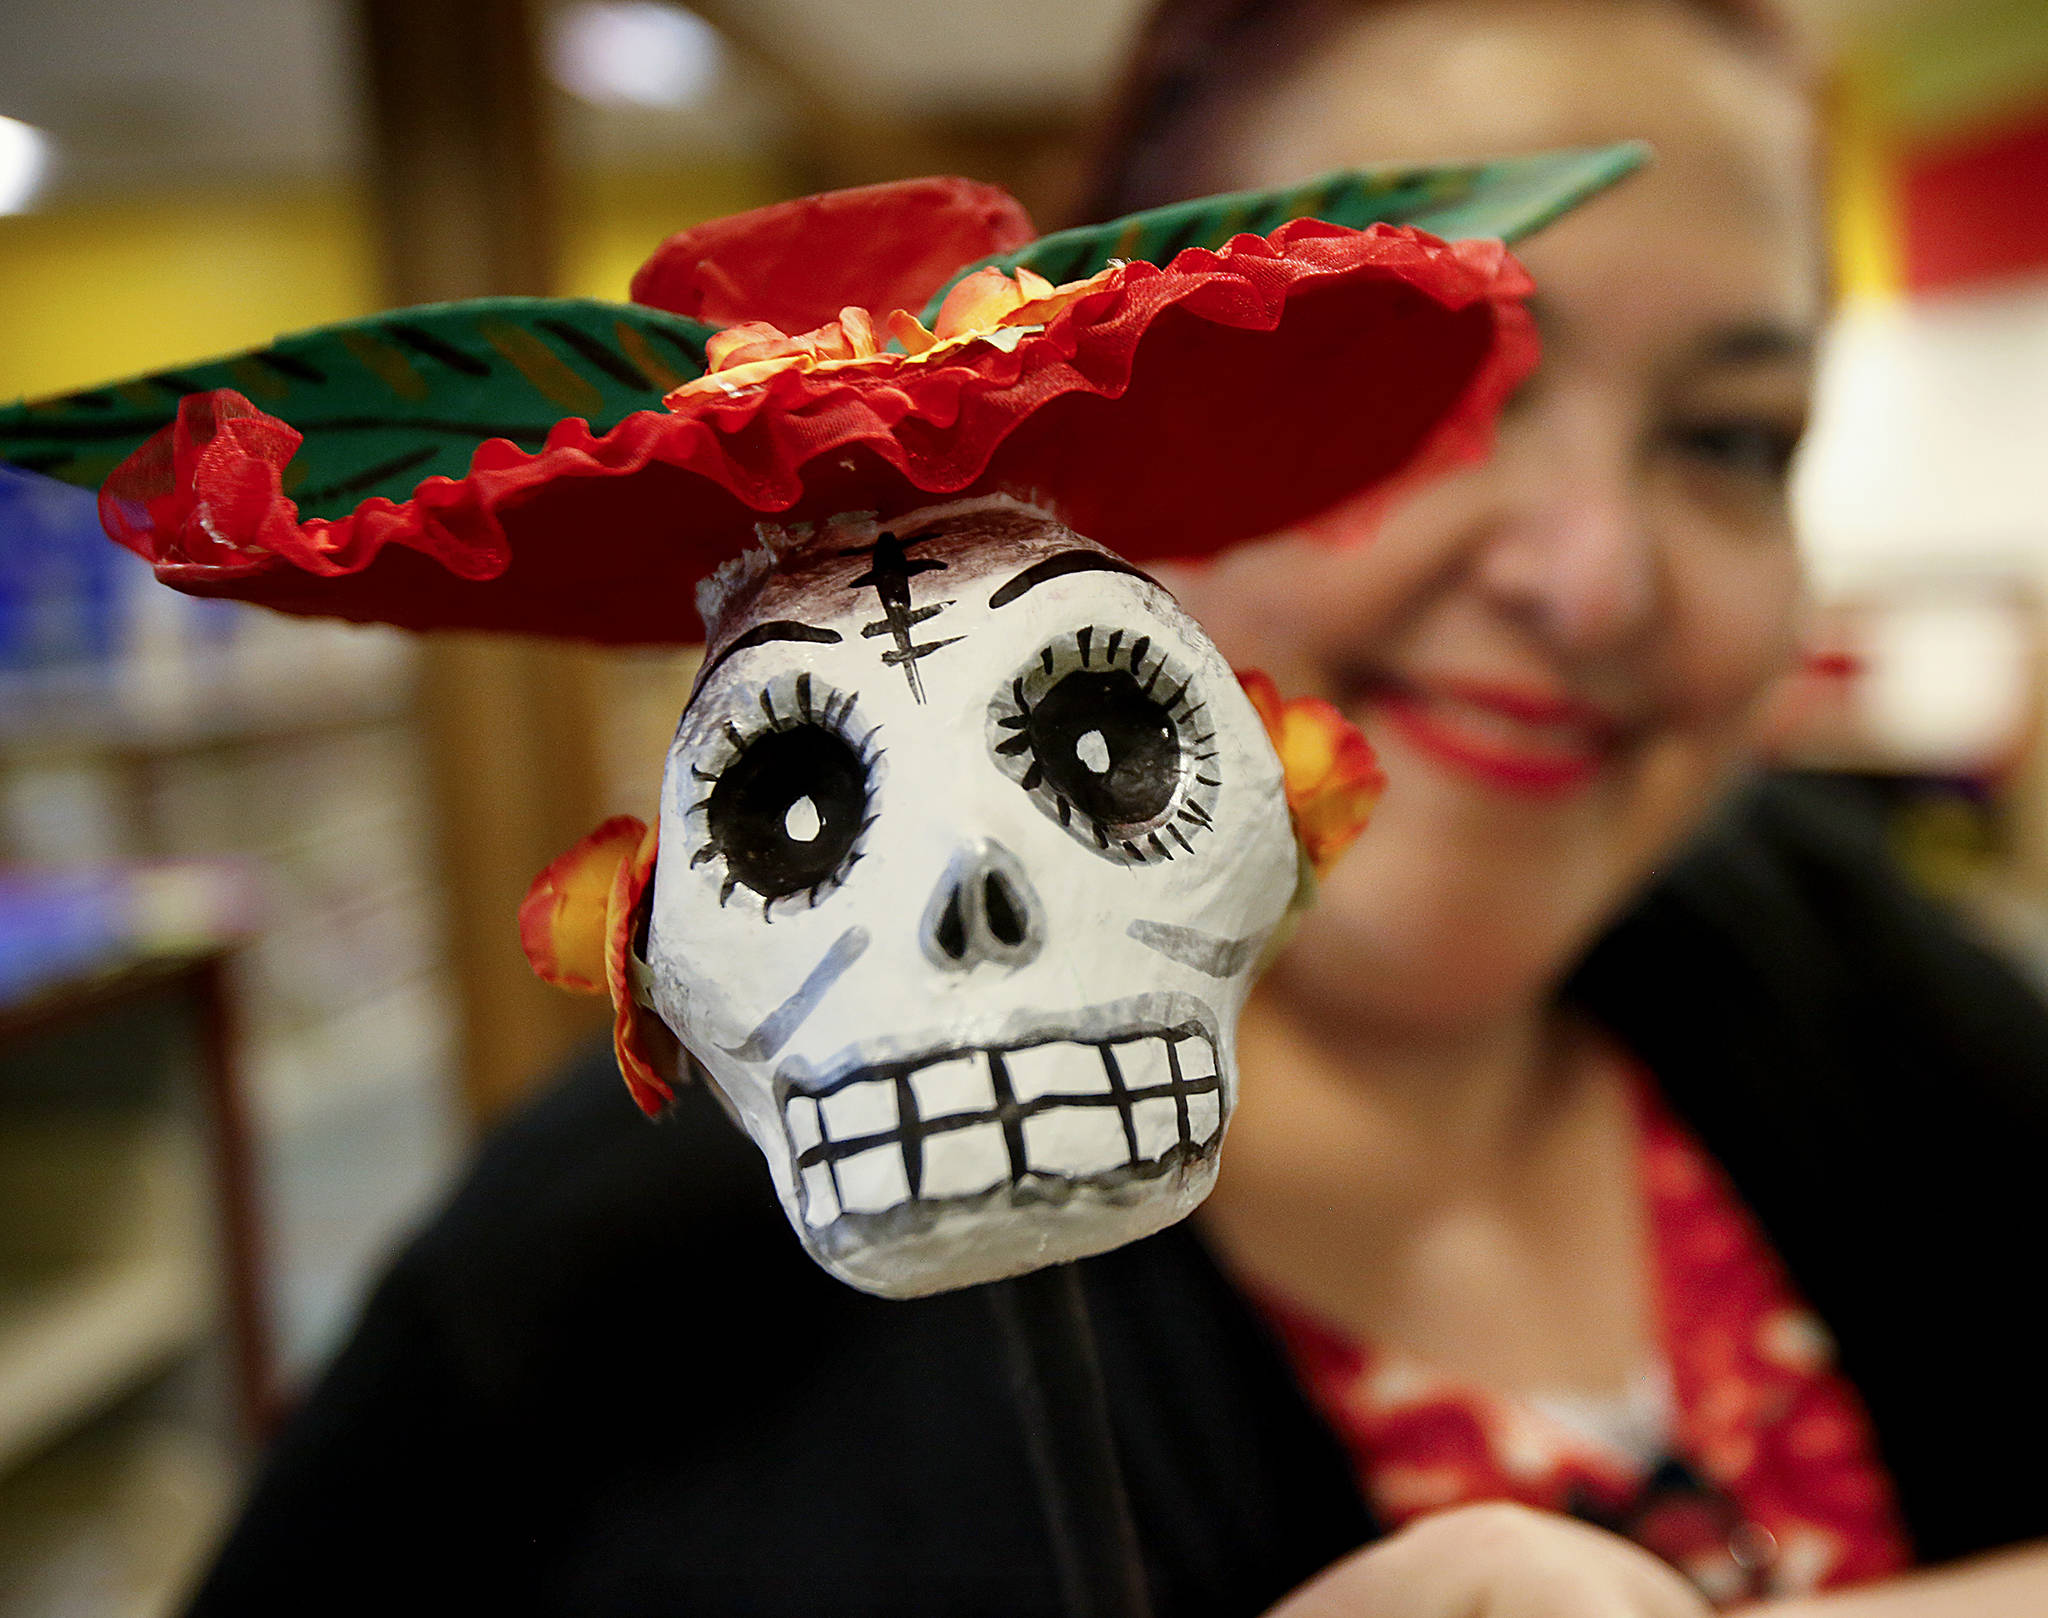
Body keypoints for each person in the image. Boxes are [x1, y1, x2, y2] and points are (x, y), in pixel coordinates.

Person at [182, 2, 2048, 1615]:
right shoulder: (573, 1316)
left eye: (1731, 436)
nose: (1598, 581)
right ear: (1108, 437)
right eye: (1434, 399)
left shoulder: (1851, 971)